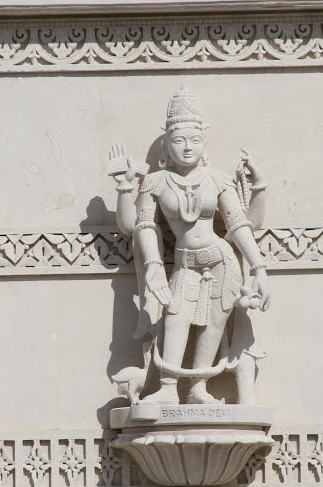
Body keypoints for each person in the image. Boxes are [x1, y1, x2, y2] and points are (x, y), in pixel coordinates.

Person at [109, 86, 269, 405]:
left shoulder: (217, 179)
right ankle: (168, 387)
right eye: (179, 140)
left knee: (214, 323)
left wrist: (259, 268)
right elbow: (144, 226)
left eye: (194, 140)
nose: (187, 148)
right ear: (168, 143)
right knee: (176, 316)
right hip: (185, 262)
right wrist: (154, 265)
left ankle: (198, 388)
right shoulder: (156, 182)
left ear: (203, 143)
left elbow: (238, 223)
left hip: (222, 262)